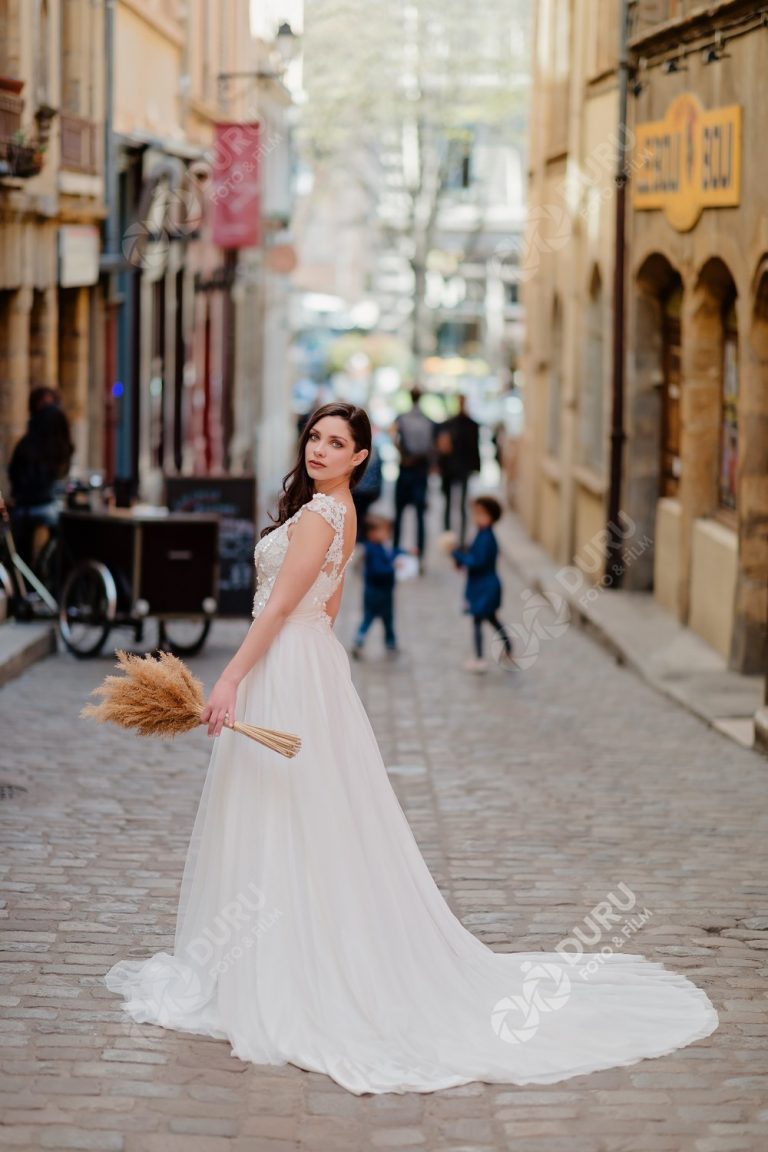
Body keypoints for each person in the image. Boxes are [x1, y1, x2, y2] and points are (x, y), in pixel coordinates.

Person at [102, 400, 718, 1096]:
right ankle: (288, 949)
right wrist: (304, 669)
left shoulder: (319, 517)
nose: (321, 450)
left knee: (282, 811)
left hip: (286, 663)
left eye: (338, 443)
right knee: (303, 813)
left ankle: (288, 968)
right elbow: (327, 612)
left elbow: (278, 609)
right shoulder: (339, 514)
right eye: (315, 437)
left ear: (362, 457)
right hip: (307, 662)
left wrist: (234, 678)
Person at [7, 387, 74, 567]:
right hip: (41, 507)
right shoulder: (56, 435)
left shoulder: (31, 440)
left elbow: (14, 472)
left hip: (28, 507)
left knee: (24, 555)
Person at [451, 495, 514, 673]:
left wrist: (457, 555)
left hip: (486, 586)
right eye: (475, 513)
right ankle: (509, 648)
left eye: (481, 514)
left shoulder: (487, 538)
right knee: (492, 619)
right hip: (482, 585)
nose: (476, 518)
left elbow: (477, 561)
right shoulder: (481, 534)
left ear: (491, 517)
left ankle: (479, 658)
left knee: (479, 619)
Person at [392, 386, 436, 574]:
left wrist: (402, 454)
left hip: (406, 467)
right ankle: (420, 558)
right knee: (419, 516)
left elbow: (393, 436)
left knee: (399, 514)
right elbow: (432, 446)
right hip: (421, 470)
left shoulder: (402, 418)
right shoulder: (428, 421)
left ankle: (395, 555)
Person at [351, 513, 402, 659]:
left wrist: (404, 552)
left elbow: (392, 554)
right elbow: (378, 570)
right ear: (372, 533)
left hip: (385, 592)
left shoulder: (381, 547)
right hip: (375, 593)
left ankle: (390, 644)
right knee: (368, 618)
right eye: (384, 531)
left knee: (388, 620)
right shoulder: (372, 550)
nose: (387, 534)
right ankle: (358, 640)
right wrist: (393, 567)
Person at [436, 394, 481, 548]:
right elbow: (442, 448)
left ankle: (460, 539)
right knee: (449, 504)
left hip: (462, 469)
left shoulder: (470, 425)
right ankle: (449, 538)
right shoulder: (449, 424)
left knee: (461, 505)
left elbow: (475, 448)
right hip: (450, 470)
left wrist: (476, 467)